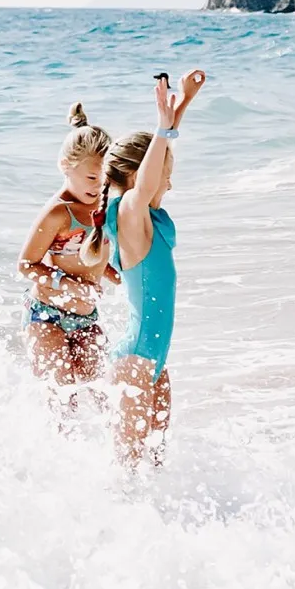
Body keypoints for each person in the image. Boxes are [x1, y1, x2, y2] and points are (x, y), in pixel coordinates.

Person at [81, 70, 205, 466]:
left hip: (152, 364)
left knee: (153, 467)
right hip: (135, 363)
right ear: (140, 178)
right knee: (128, 471)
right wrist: (162, 127)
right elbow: (148, 179)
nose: (169, 185)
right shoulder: (131, 215)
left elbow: (154, 165)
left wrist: (181, 105)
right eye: (165, 177)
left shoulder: (143, 218)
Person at [18, 104, 119, 418]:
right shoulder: (58, 213)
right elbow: (25, 264)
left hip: (86, 318)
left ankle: (112, 465)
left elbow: (94, 259)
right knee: (62, 403)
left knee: (105, 397)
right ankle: (50, 464)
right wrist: (70, 287)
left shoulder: (103, 208)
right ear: (65, 166)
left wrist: (121, 277)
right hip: (46, 316)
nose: (98, 187)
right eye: (91, 177)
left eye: (105, 181)